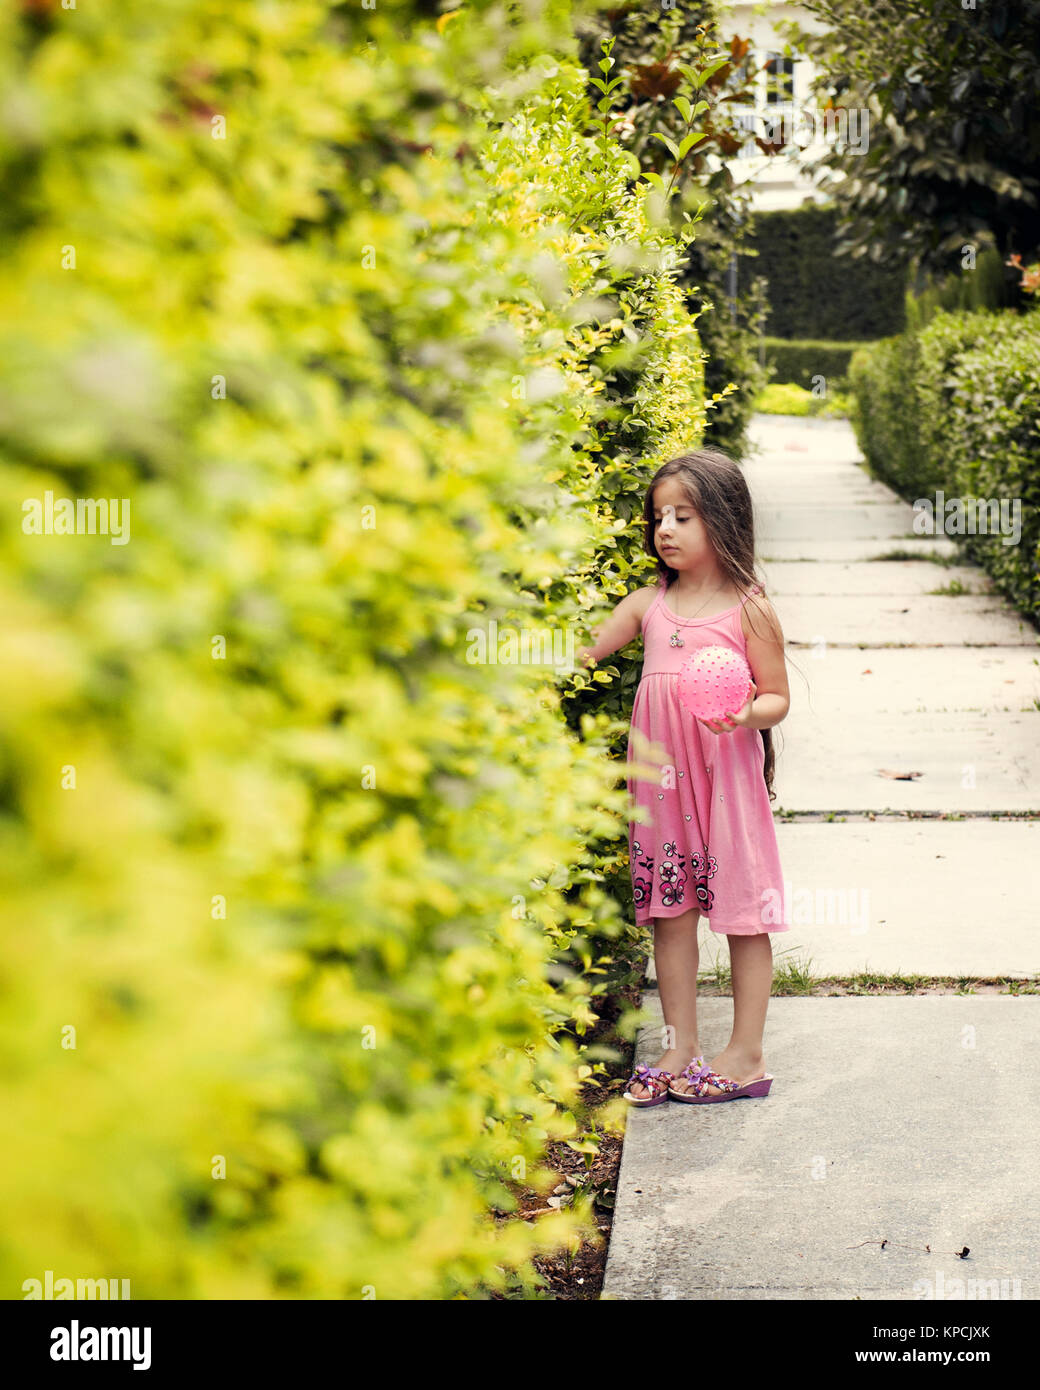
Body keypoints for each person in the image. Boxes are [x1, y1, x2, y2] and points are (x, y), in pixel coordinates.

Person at [577, 449, 790, 1106]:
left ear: (722, 521)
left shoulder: (749, 610)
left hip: (724, 786)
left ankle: (747, 1053)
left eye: (683, 516)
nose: (665, 529)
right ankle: (680, 1043)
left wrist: (742, 713)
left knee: (741, 919)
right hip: (662, 792)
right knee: (669, 917)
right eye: (658, 517)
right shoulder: (648, 606)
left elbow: (778, 697)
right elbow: (581, 649)